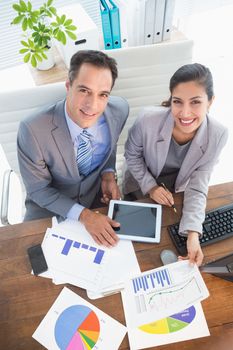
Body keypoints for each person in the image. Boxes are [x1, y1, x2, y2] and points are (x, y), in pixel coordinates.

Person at [17, 50, 129, 247]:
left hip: (96, 199)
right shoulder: (32, 130)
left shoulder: (119, 110)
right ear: (68, 86)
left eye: (102, 95)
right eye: (84, 90)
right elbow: (38, 189)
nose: (92, 105)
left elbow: (110, 148)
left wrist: (108, 174)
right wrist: (84, 216)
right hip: (49, 207)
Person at [123, 63, 228, 266]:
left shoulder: (218, 134)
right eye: (178, 102)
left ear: (210, 102)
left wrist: (193, 233)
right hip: (139, 186)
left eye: (195, 102)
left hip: (176, 194)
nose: (185, 113)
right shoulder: (147, 120)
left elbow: (198, 185)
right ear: (170, 100)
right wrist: (150, 187)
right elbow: (131, 155)